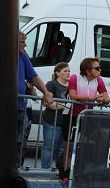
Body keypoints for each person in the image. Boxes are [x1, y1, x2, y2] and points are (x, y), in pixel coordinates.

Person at [17, 30, 53, 165]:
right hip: (7, 109)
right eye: (22, 42)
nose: (25, 45)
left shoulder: (23, 56)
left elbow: (34, 76)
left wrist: (46, 92)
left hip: (21, 109)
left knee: (20, 144)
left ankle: (16, 170)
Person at [41, 62, 71, 169]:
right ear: (57, 73)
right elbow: (48, 103)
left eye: (69, 71)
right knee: (49, 148)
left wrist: (58, 104)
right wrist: (63, 106)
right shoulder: (52, 84)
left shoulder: (70, 86)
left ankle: (59, 173)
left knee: (60, 150)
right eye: (65, 71)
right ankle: (45, 171)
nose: (68, 73)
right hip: (51, 120)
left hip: (64, 122)